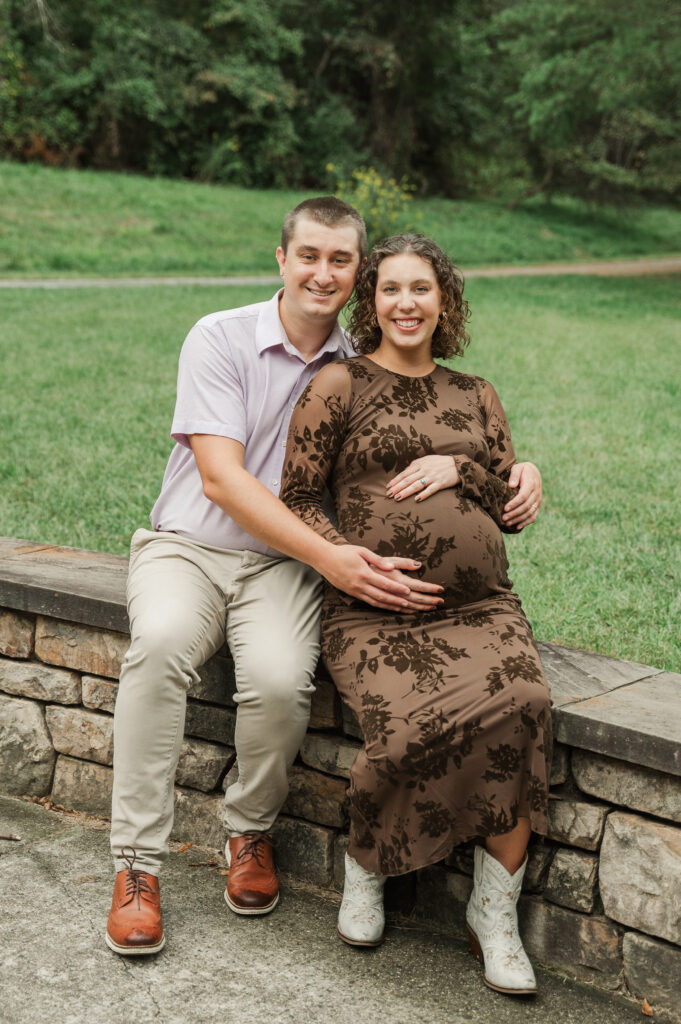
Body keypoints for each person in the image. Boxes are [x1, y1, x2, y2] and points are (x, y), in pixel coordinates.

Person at [106, 201, 543, 957]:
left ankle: (248, 836)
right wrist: (334, 557)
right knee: (162, 645)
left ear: (357, 277)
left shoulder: (365, 356)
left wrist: (513, 472)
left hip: (287, 567)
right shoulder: (226, 338)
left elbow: (483, 471)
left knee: (279, 681)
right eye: (308, 256)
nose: (323, 272)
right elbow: (223, 480)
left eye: (340, 261)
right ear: (281, 258)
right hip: (195, 548)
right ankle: (136, 867)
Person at [280, 234, 552, 996]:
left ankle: (493, 915)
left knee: (526, 704)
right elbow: (297, 499)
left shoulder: (477, 394)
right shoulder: (338, 385)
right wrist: (350, 563)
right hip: (372, 614)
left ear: (444, 300)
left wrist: (476, 469)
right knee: (402, 730)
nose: (405, 303)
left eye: (420, 289)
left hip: (480, 608)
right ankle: (365, 867)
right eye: (389, 289)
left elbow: (508, 514)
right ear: (369, 302)